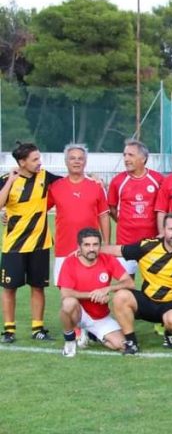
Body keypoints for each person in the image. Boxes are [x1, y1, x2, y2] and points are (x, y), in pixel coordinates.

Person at [104, 213, 172, 354]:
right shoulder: (148, 246)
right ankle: (131, 342)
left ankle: (171, 332)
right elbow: (117, 250)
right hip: (147, 300)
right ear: (164, 230)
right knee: (120, 296)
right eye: (171, 229)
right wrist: (90, 249)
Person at [0, 142, 62, 343]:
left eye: (39, 158)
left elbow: (70, 183)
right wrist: (10, 181)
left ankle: (38, 329)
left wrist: (93, 179)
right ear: (22, 162)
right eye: (35, 159)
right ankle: (9, 330)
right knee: (9, 288)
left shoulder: (45, 176)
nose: (39, 162)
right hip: (14, 245)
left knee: (38, 287)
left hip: (40, 244)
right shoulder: (6, 180)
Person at [58, 228, 134, 356]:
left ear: (100, 246)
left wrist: (107, 289)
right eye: (87, 245)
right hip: (79, 313)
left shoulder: (108, 259)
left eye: (95, 244)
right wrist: (94, 295)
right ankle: (70, 340)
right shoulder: (70, 262)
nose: (91, 249)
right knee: (68, 303)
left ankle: (93, 334)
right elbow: (65, 293)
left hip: (100, 316)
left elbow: (129, 283)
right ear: (79, 247)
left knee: (122, 345)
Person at [48, 143, 111, 285]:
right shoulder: (55, 186)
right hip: (64, 249)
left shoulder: (96, 186)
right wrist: (9, 214)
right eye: (72, 158)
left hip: (90, 249)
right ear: (66, 161)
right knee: (66, 293)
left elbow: (104, 216)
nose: (76, 161)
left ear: (85, 162)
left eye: (80, 158)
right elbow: (38, 209)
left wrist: (106, 244)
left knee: (92, 290)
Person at [107, 140, 164, 275]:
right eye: (125, 155)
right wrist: (124, 222)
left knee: (154, 282)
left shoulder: (158, 179)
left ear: (143, 159)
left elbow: (163, 208)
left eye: (131, 155)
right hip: (125, 243)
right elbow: (111, 208)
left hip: (151, 243)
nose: (126, 159)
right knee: (126, 283)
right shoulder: (118, 181)